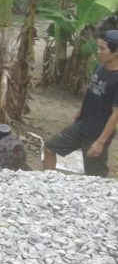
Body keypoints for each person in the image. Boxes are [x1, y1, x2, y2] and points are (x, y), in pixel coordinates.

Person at [43, 30, 118, 177]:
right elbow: (91, 91)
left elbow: (116, 114)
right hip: (81, 125)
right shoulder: (99, 67)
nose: (98, 52)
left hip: (97, 133)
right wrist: (81, 111)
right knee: (50, 148)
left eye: (103, 49)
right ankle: (47, 183)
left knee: (95, 177)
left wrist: (101, 142)